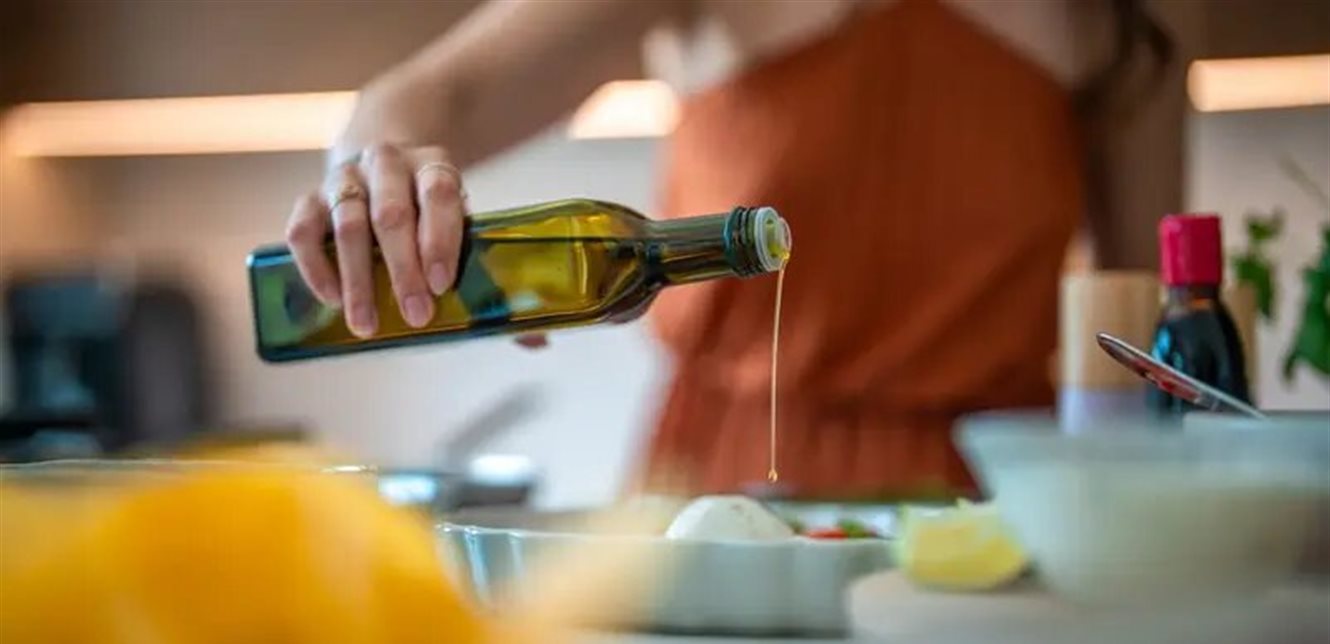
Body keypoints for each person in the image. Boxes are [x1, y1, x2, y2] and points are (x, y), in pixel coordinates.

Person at [285, 0, 1180, 498]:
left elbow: (1149, 332)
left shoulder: (1130, 19)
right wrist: (377, 176)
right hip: (719, 500)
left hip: (995, 509)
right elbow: (431, 97)